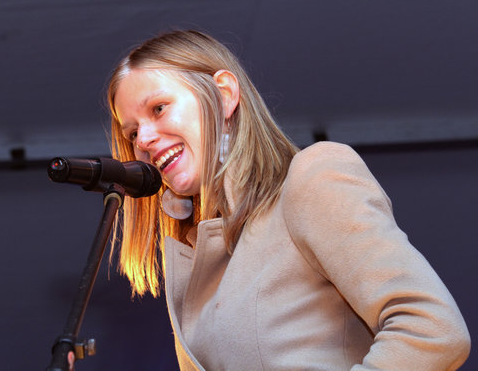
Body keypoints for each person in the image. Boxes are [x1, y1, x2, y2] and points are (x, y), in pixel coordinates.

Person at [103, 30, 470, 370]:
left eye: (158, 108)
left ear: (224, 95)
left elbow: (432, 330)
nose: (144, 139)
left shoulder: (313, 178)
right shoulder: (198, 254)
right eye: (133, 132)